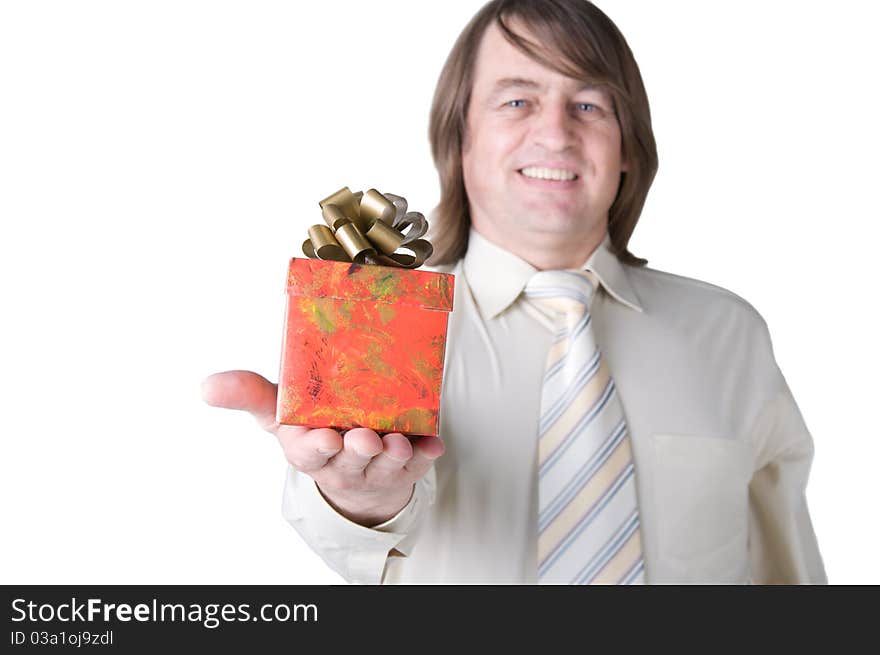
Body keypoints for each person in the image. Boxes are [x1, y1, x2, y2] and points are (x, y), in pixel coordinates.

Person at [201, 0, 827, 584]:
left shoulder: (729, 333)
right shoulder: (379, 329)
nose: (555, 135)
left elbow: (785, 565)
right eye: (517, 102)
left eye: (588, 105)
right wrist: (358, 498)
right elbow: (350, 544)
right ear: (460, 138)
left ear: (627, 147)